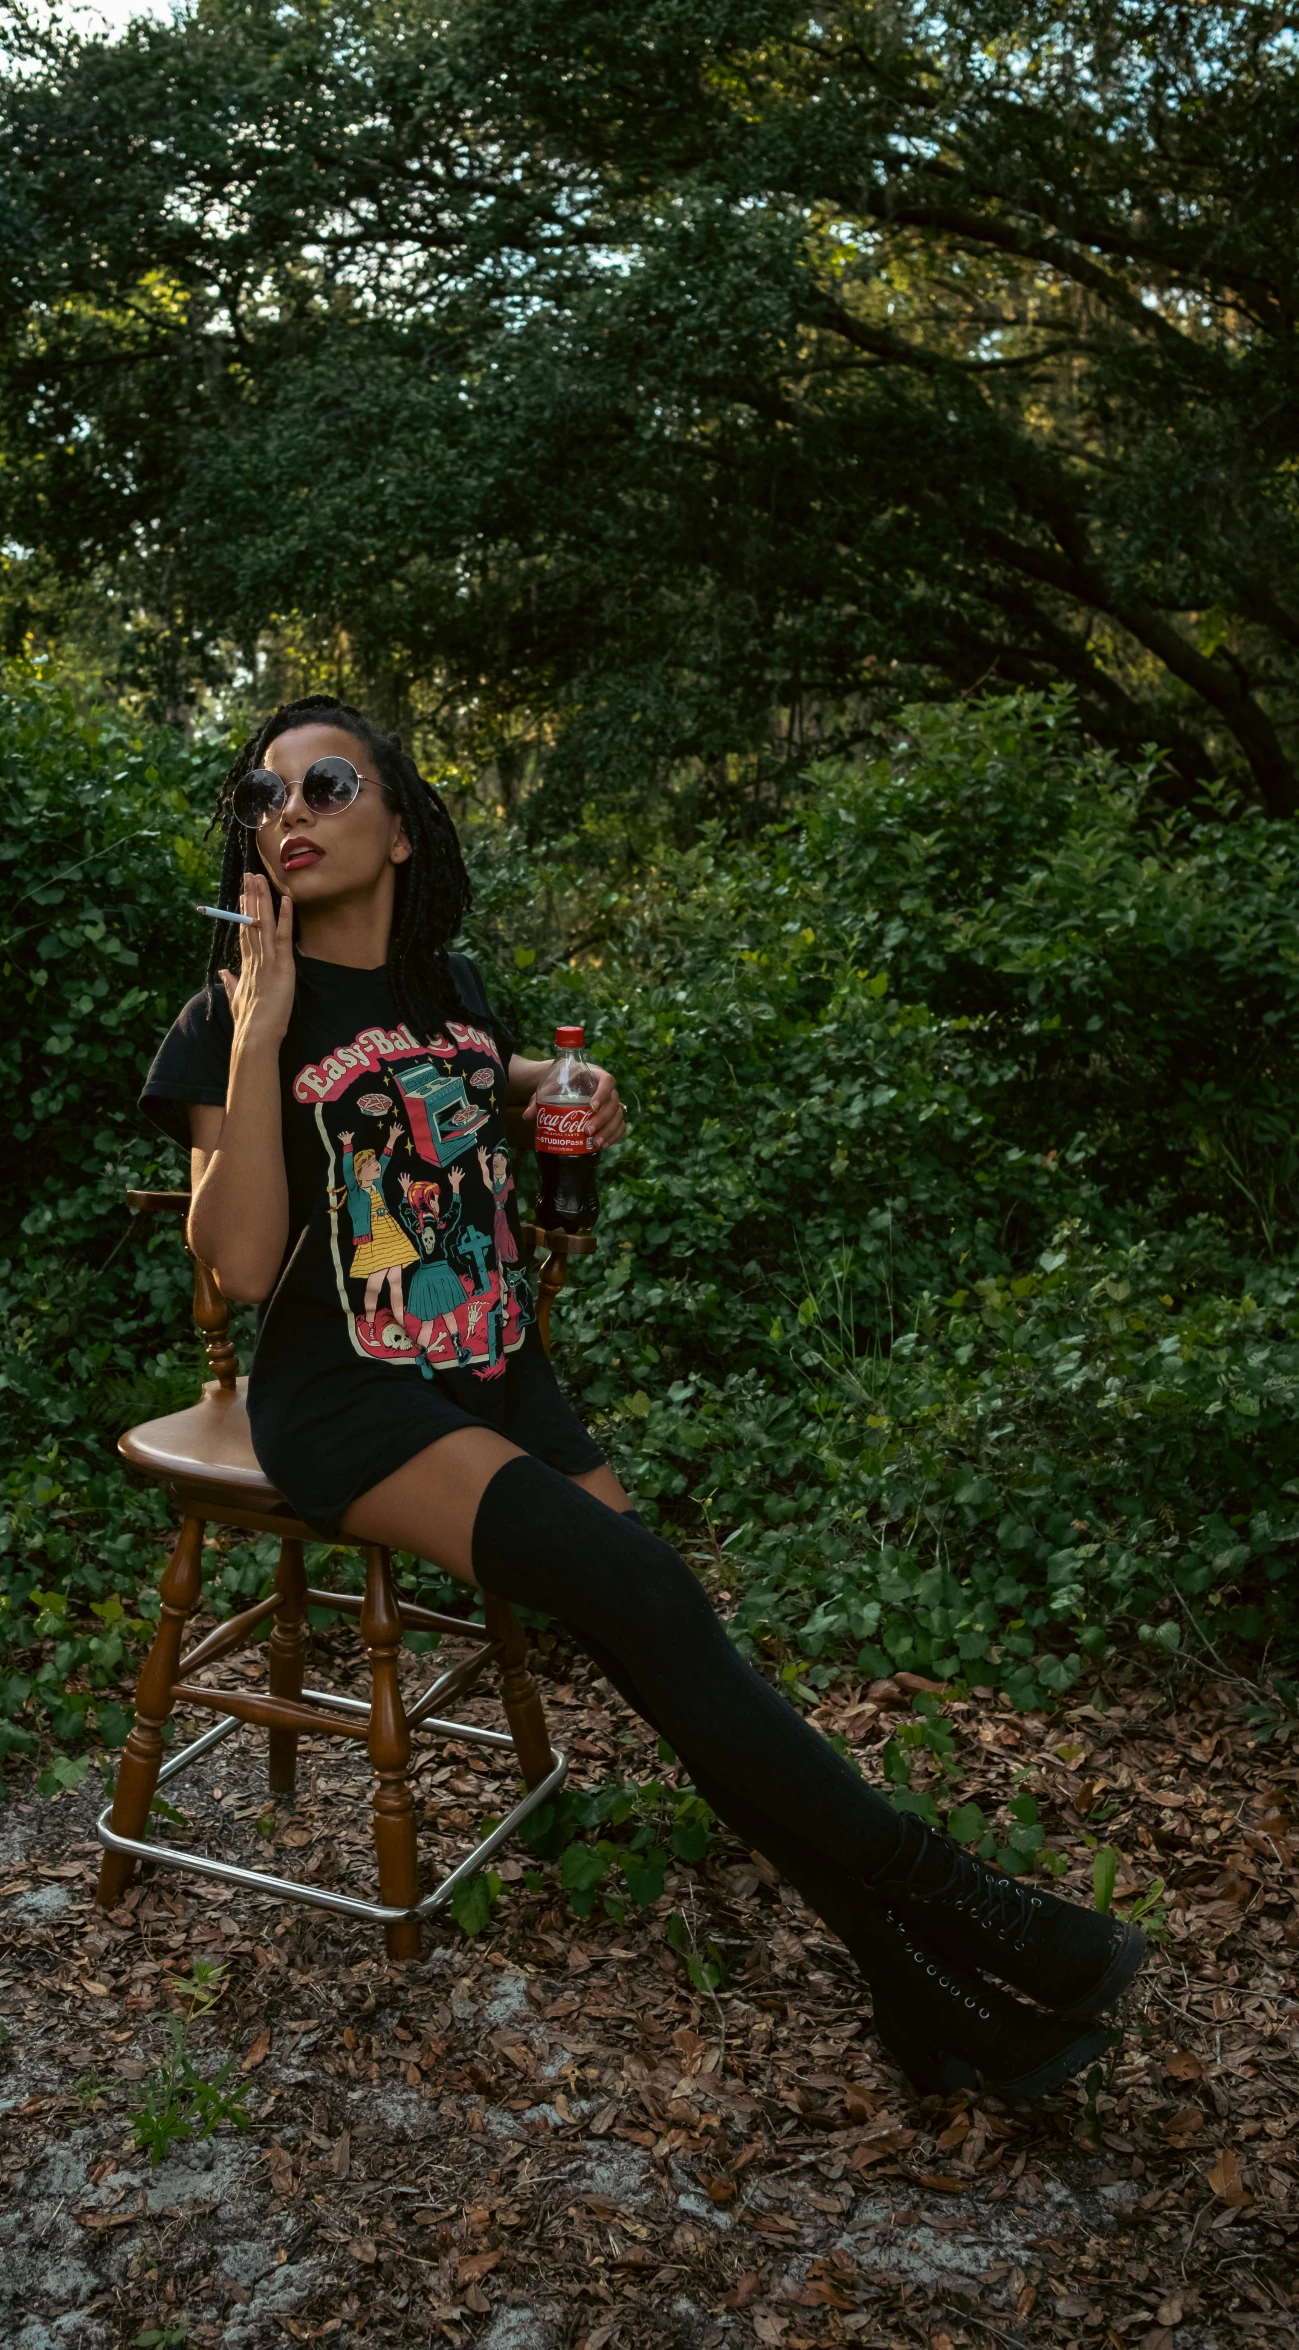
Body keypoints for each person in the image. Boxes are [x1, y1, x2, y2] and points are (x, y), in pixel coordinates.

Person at [140, 694, 1147, 2103]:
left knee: (677, 1652)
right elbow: (239, 1264)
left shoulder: (453, 987)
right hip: (354, 1392)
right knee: (653, 1599)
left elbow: (489, 1076)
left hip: (498, 1368)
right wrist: (259, 1027)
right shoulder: (225, 1017)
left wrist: (572, 1077)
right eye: (264, 795)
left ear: (403, 828)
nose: (286, 812)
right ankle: (965, 1902)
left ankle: (917, 1996)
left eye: (324, 784)